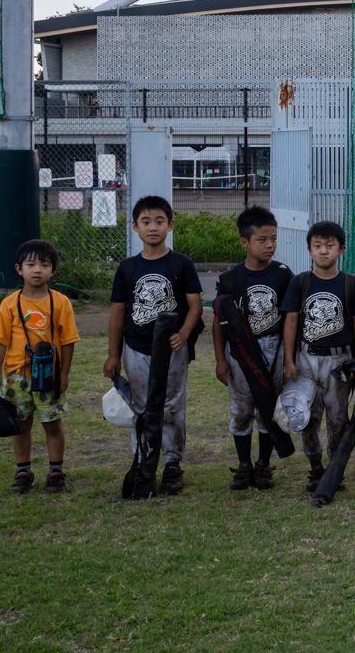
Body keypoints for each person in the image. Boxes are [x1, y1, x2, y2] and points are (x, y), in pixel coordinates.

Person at [104, 195, 204, 495]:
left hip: (172, 349)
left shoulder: (181, 264)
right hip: (136, 348)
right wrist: (113, 354)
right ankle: (143, 461)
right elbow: (118, 313)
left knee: (172, 405)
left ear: (170, 225)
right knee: (140, 406)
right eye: (145, 222)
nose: (153, 227)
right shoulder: (128, 268)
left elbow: (195, 305)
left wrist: (183, 334)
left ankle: (172, 463)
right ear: (135, 227)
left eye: (159, 221)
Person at [281, 220, 355, 494]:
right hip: (306, 358)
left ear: (341, 249)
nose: (323, 251)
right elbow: (291, 321)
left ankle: (334, 469)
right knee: (307, 416)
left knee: (338, 418)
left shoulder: (350, 284)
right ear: (309, 249)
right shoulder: (300, 282)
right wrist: (289, 360)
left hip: (338, 361)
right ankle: (315, 467)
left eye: (330, 246)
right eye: (317, 246)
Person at [0, 239, 79, 493]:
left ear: (53, 270)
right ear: (19, 269)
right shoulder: (9, 304)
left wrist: (64, 373)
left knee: (52, 424)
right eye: (31, 264)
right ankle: (23, 471)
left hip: (48, 376)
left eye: (44, 265)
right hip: (16, 376)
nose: (37, 270)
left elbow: (68, 341)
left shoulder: (60, 302)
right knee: (21, 424)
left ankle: (56, 470)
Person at [212, 206, 292, 491]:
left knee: (268, 407)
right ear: (245, 242)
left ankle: (263, 464)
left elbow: (291, 319)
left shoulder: (283, 275)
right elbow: (219, 322)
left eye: (274, 239)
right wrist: (220, 359)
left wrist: (289, 357)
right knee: (242, 409)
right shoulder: (231, 280)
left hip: (274, 349)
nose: (270, 245)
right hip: (241, 353)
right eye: (262, 240)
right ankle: (244, 464)